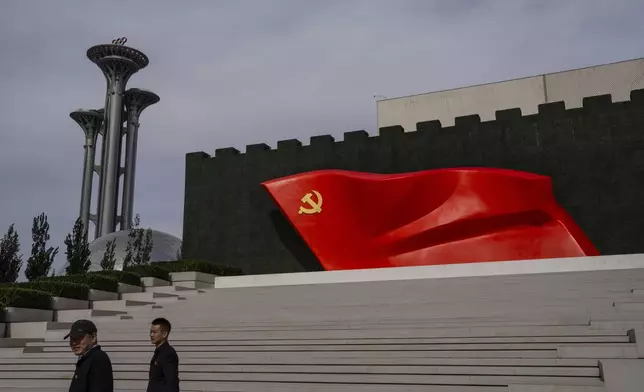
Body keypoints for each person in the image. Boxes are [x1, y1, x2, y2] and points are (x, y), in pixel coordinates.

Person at [66, 319, 114, 392]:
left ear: (93, 337)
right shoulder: (86, 358)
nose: (74, 343)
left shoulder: (98, 359)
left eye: (79, 338)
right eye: (72, 338)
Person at [147, 317, 180, 392]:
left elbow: (171, 383)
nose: (151, 335)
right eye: (151, 332)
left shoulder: (168, 353)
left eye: (155, 332)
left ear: (164, 334)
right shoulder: (158, 352)